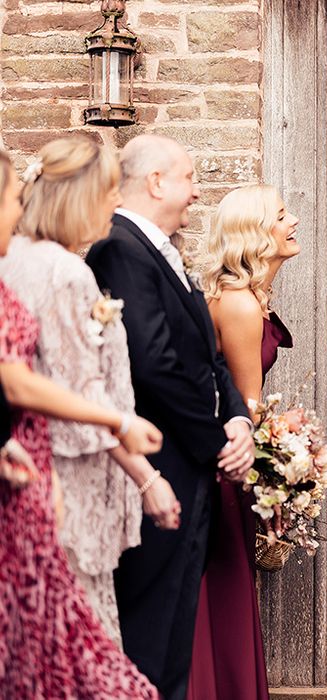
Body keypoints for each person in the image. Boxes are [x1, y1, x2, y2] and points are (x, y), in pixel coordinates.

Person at [86, 134, 255, 700]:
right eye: (187, 178)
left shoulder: (165, 250)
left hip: (192, 464)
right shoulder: (119, 248)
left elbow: (208, 359)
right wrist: (215, 445)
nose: (196, 191)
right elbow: (151, 364)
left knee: (175, 633)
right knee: (149, 637)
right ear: (156, 182)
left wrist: (238, 422)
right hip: (159, 465)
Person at [0, 137, 181, 645]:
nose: (115, 203)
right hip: (68, 480)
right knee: (80, 639)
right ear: (80, 197)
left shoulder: (14, 260)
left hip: (27, 467)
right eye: (107, 192)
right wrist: (147, 479)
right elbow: (83, 398)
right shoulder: (65, 273)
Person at [187, 184, 298, 699]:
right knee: (224, 583)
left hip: (228, 453)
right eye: (281, 215)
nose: (292, 220)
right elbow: (245, 404)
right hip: (223, 462)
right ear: (257, 234)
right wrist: (282, 469)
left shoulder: (247, 297)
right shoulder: (238, 304)